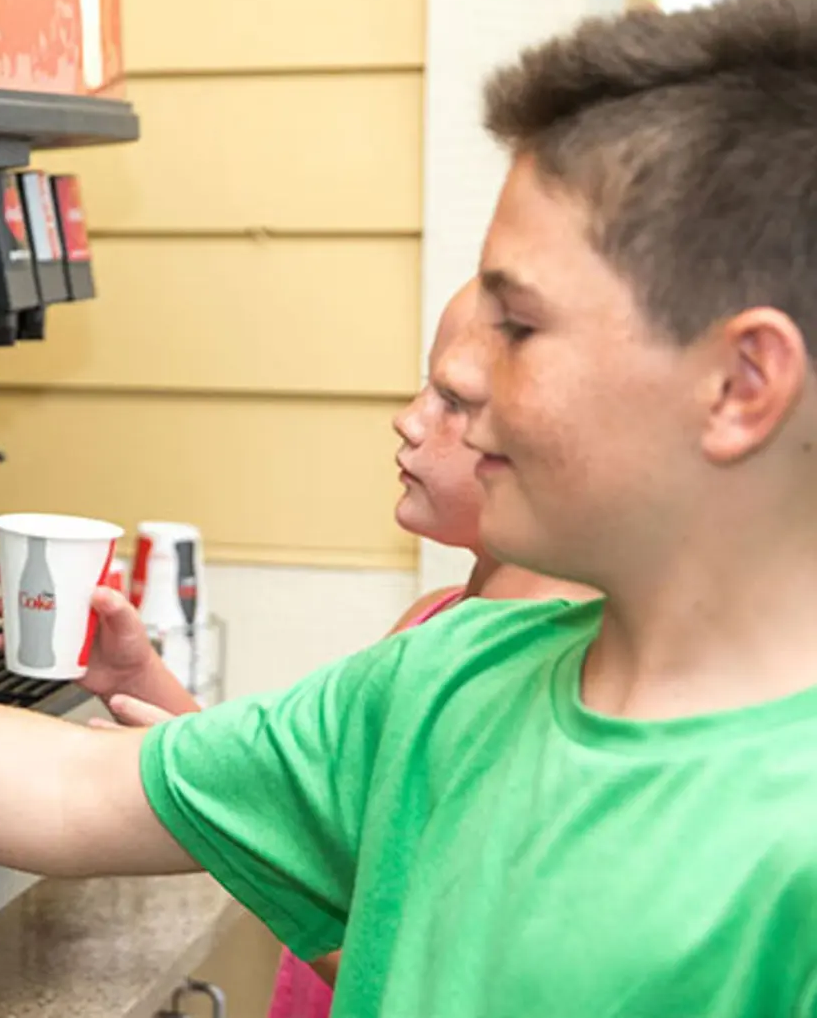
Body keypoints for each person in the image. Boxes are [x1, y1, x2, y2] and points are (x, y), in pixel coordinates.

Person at [0, 0, 817, 1015]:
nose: (458, 370)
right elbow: (76, 788)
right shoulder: (452, 684)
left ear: (740, 384)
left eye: (520, 325)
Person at [73, 284, 596, 1016]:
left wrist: (249, 854)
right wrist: (139, 677)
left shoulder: (536, 674)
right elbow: (292, 806)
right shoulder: (433, 620)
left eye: (452, 399)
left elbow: (411, 970)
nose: (408, 419)